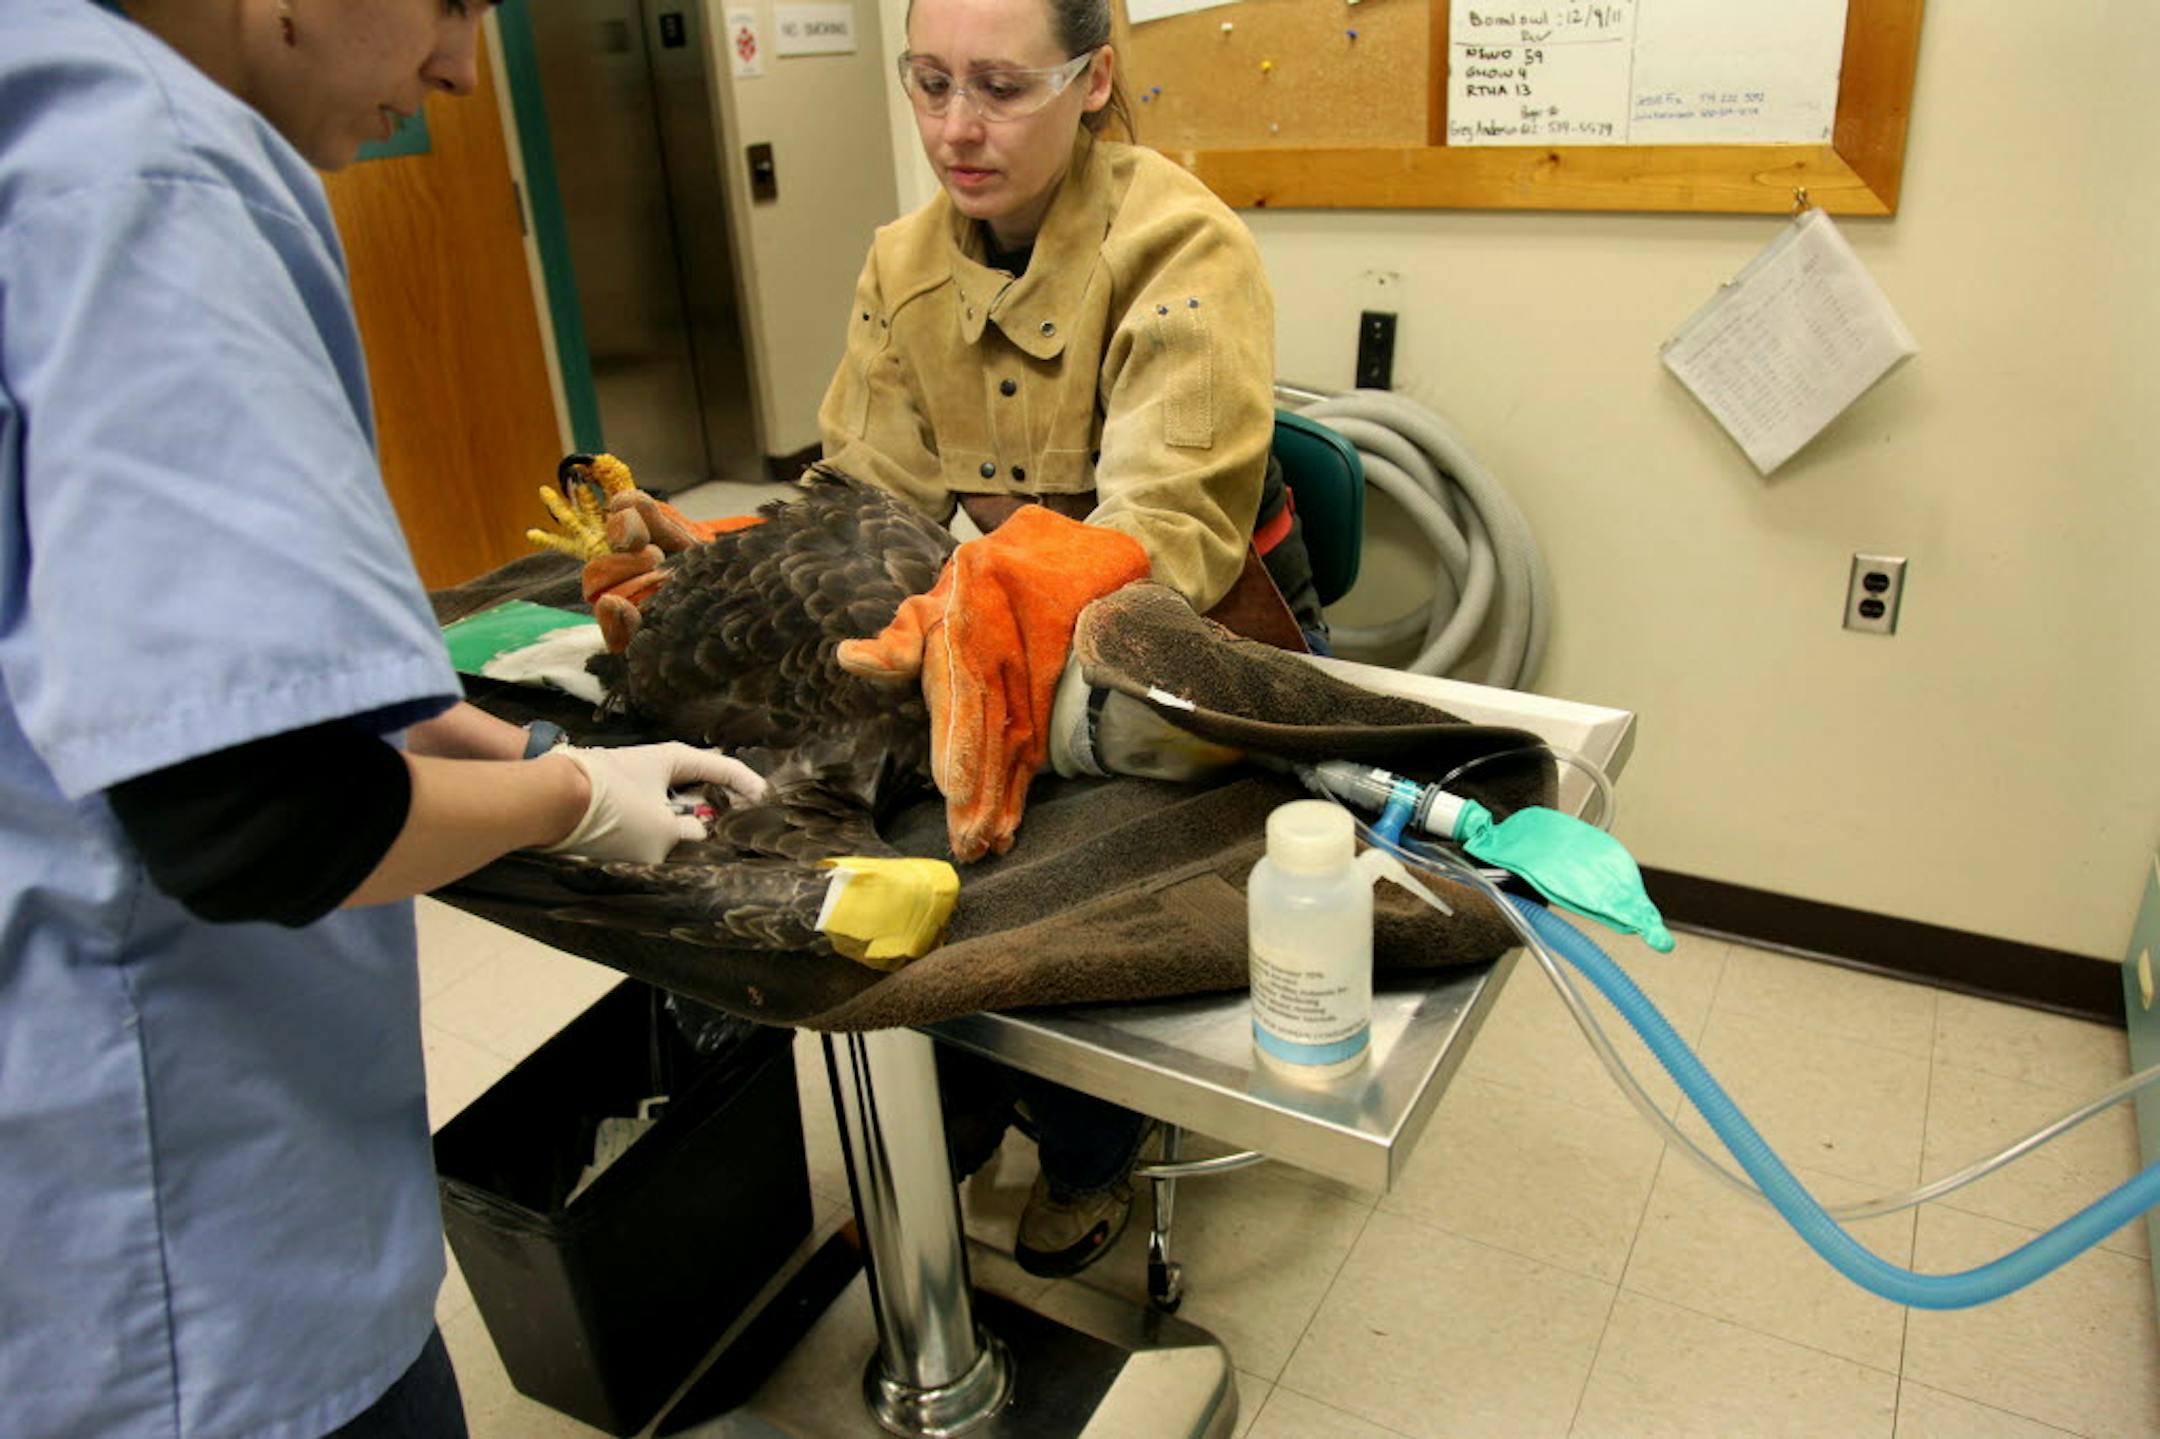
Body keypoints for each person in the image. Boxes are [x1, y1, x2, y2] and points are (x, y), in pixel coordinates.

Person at [0, 3, 762, 1436]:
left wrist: (526, 749)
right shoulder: (149, 176)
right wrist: (571, 804)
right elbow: (258, 818)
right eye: (456, 0)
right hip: (186, 1266)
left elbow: (173, 673)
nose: (464, 68)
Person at [816, 0, 1321, 1278]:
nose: (953, 127)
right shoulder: (900, 262)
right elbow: (862, 503)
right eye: (928, 84)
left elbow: (1163, 530)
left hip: (1182, 627)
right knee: (878, 821)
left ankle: (1093, 1137)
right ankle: (966, 1086)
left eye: (998, 87)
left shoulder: (1181, 241)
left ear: (1094, 79)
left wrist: (983, 620)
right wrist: (744, 577)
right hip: (992, 614)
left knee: (1072, 873)